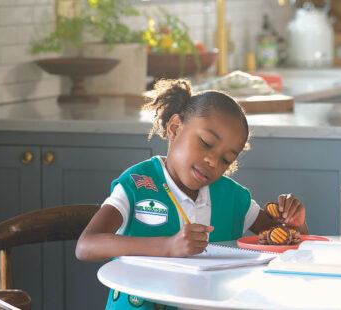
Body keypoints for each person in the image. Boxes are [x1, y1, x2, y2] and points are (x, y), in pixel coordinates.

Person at [75, 79, 308, 310]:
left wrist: (297, 226)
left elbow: (285, 244)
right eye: (206, 143)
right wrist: (168, 246)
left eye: (227, 159)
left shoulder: (234, 197)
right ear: (175, 128)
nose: (213, 161)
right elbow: (86, 246)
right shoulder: (138, 183)